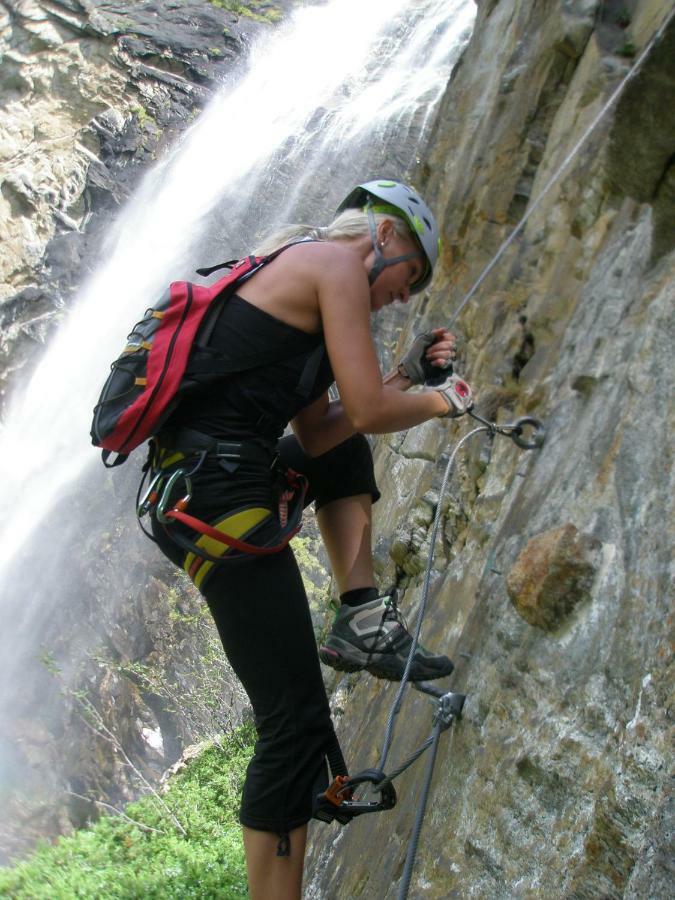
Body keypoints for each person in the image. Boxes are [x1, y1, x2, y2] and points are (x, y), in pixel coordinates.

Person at [148, 179, 472, 900]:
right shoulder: (333, 264)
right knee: (291, 724)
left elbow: (325, 429)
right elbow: (367, 407)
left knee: (342, 454)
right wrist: (440, 399)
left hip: (203, 484)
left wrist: (405, 377)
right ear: (383, 237)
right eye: (407, 278)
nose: (400, 298)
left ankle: (358, 617)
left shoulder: (299, 271)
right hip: (217, 495)